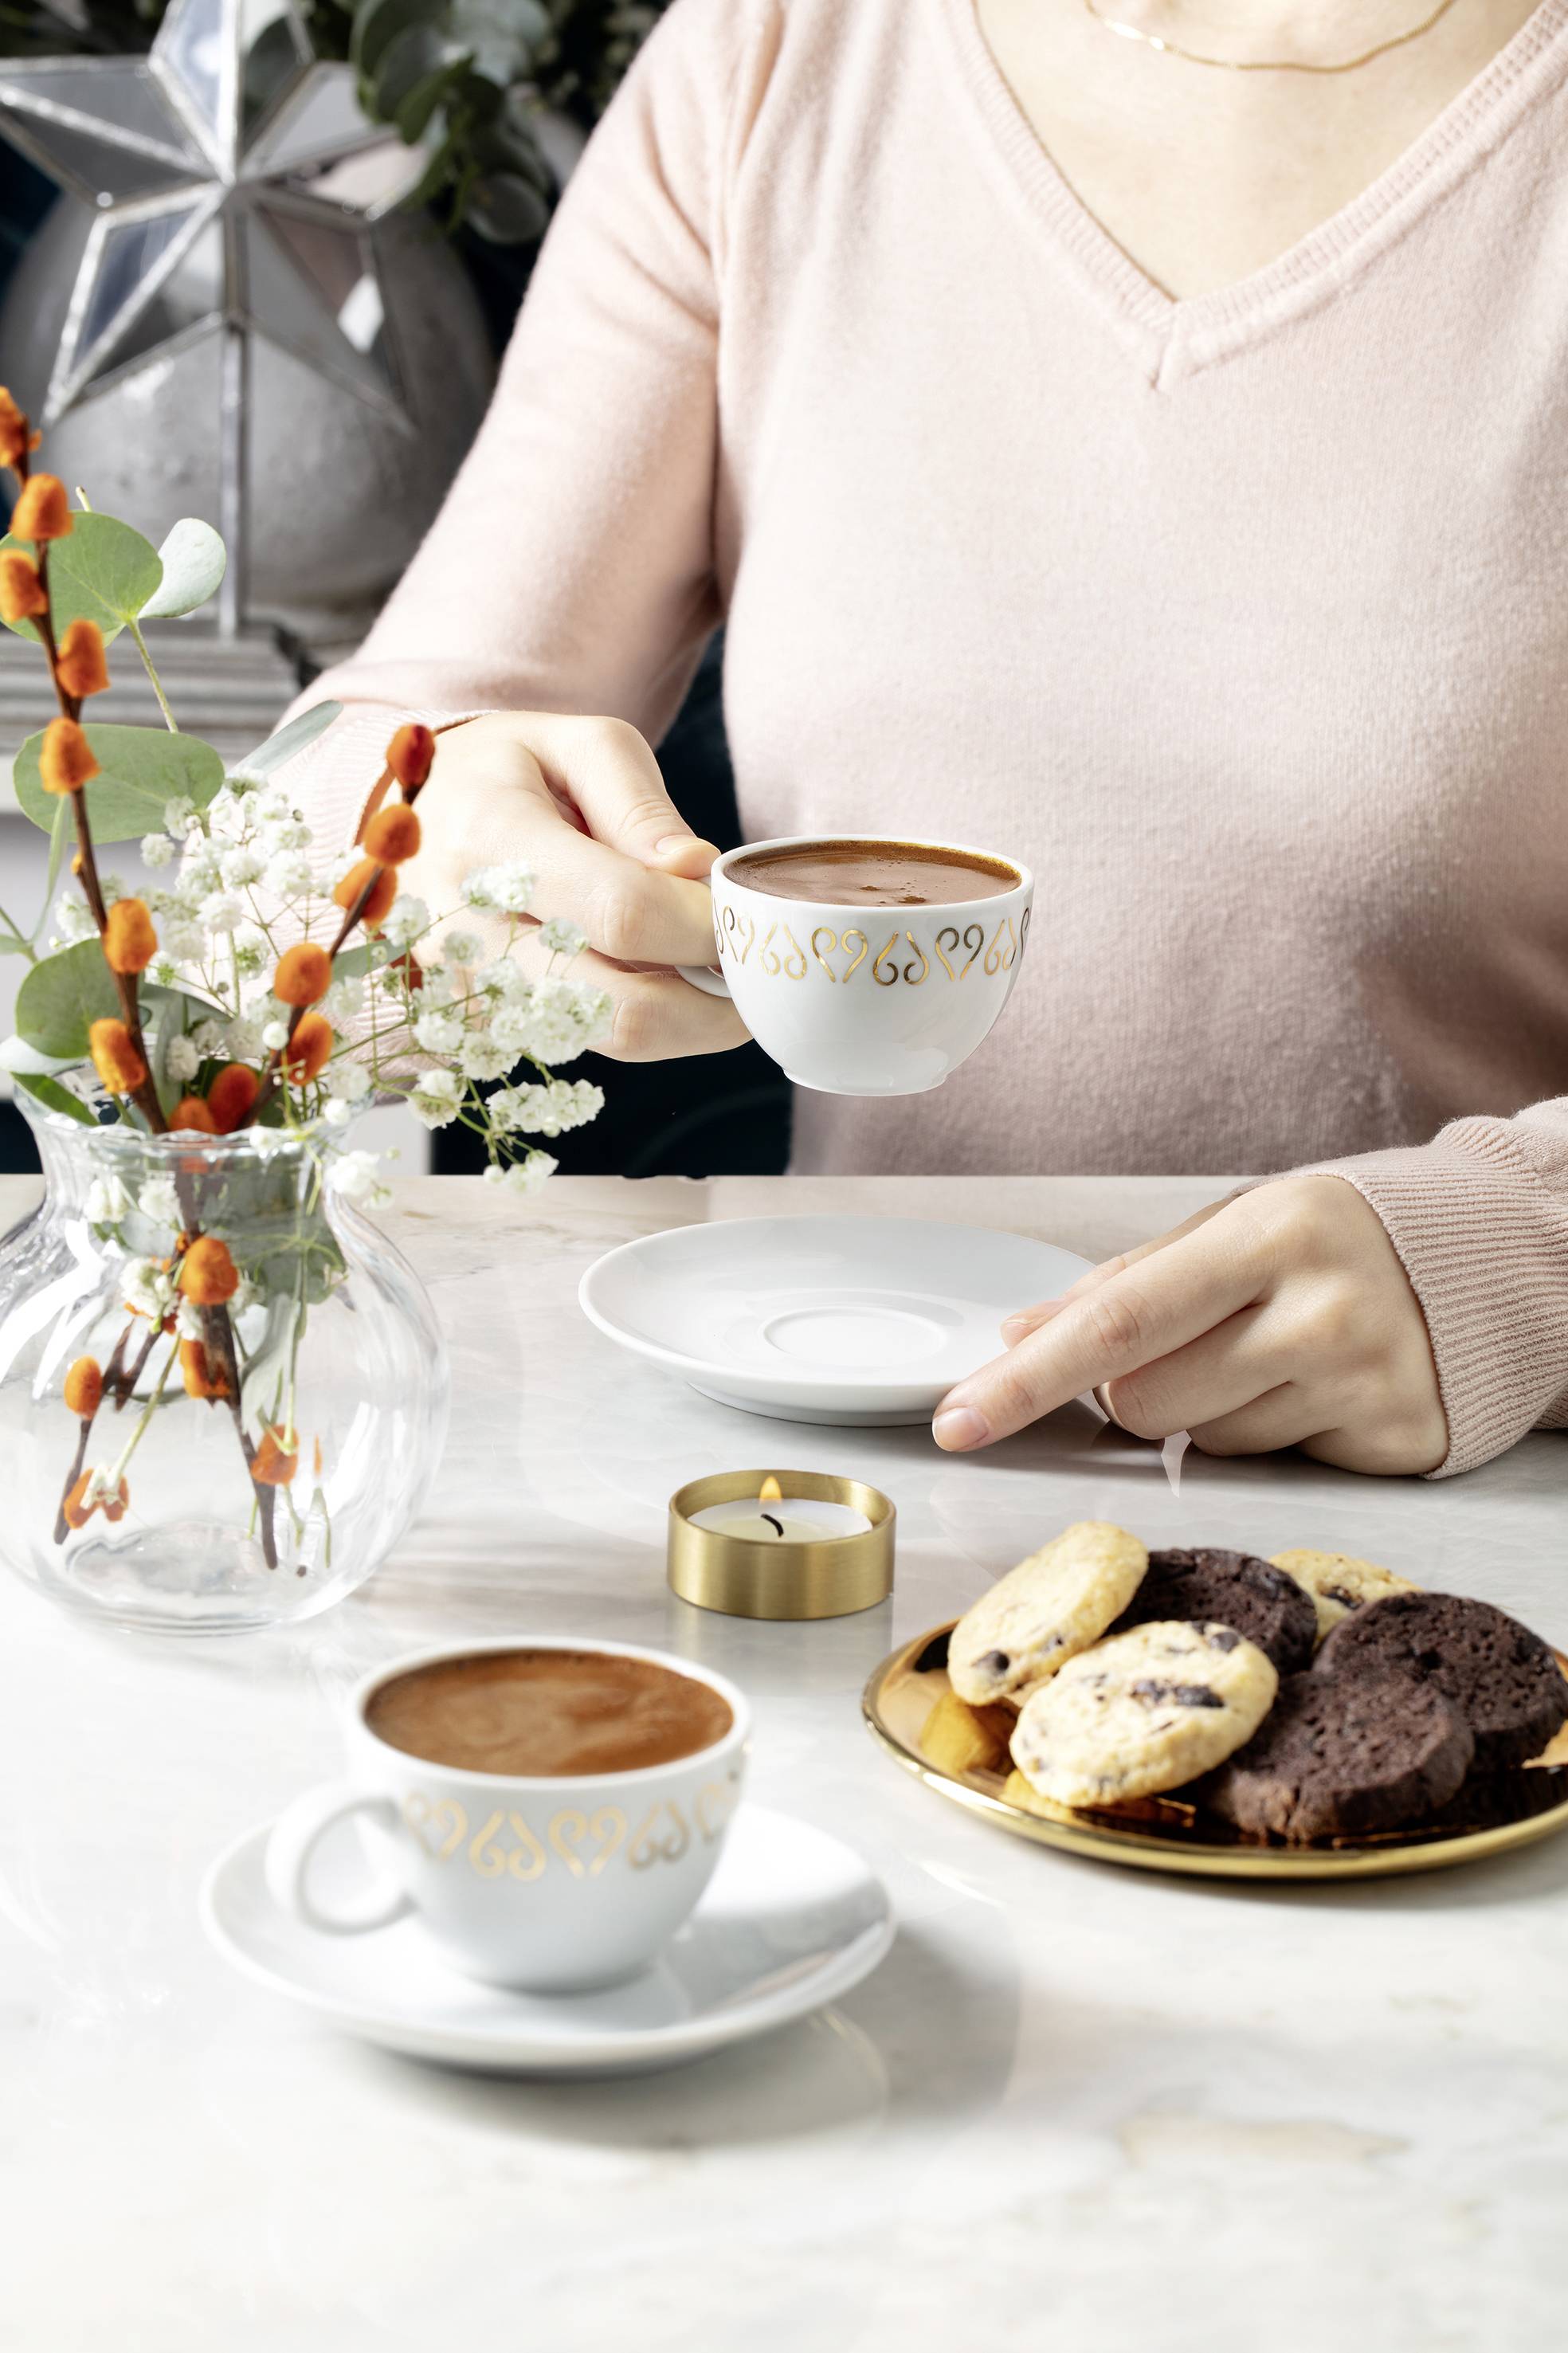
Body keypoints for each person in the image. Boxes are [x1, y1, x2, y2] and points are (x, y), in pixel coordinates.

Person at [284, 0, 1568, 1479]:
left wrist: (1520, 1258)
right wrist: (424, 833)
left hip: (1474, 1533)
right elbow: (366, 759)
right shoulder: (784, 55)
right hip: (870, 1477)